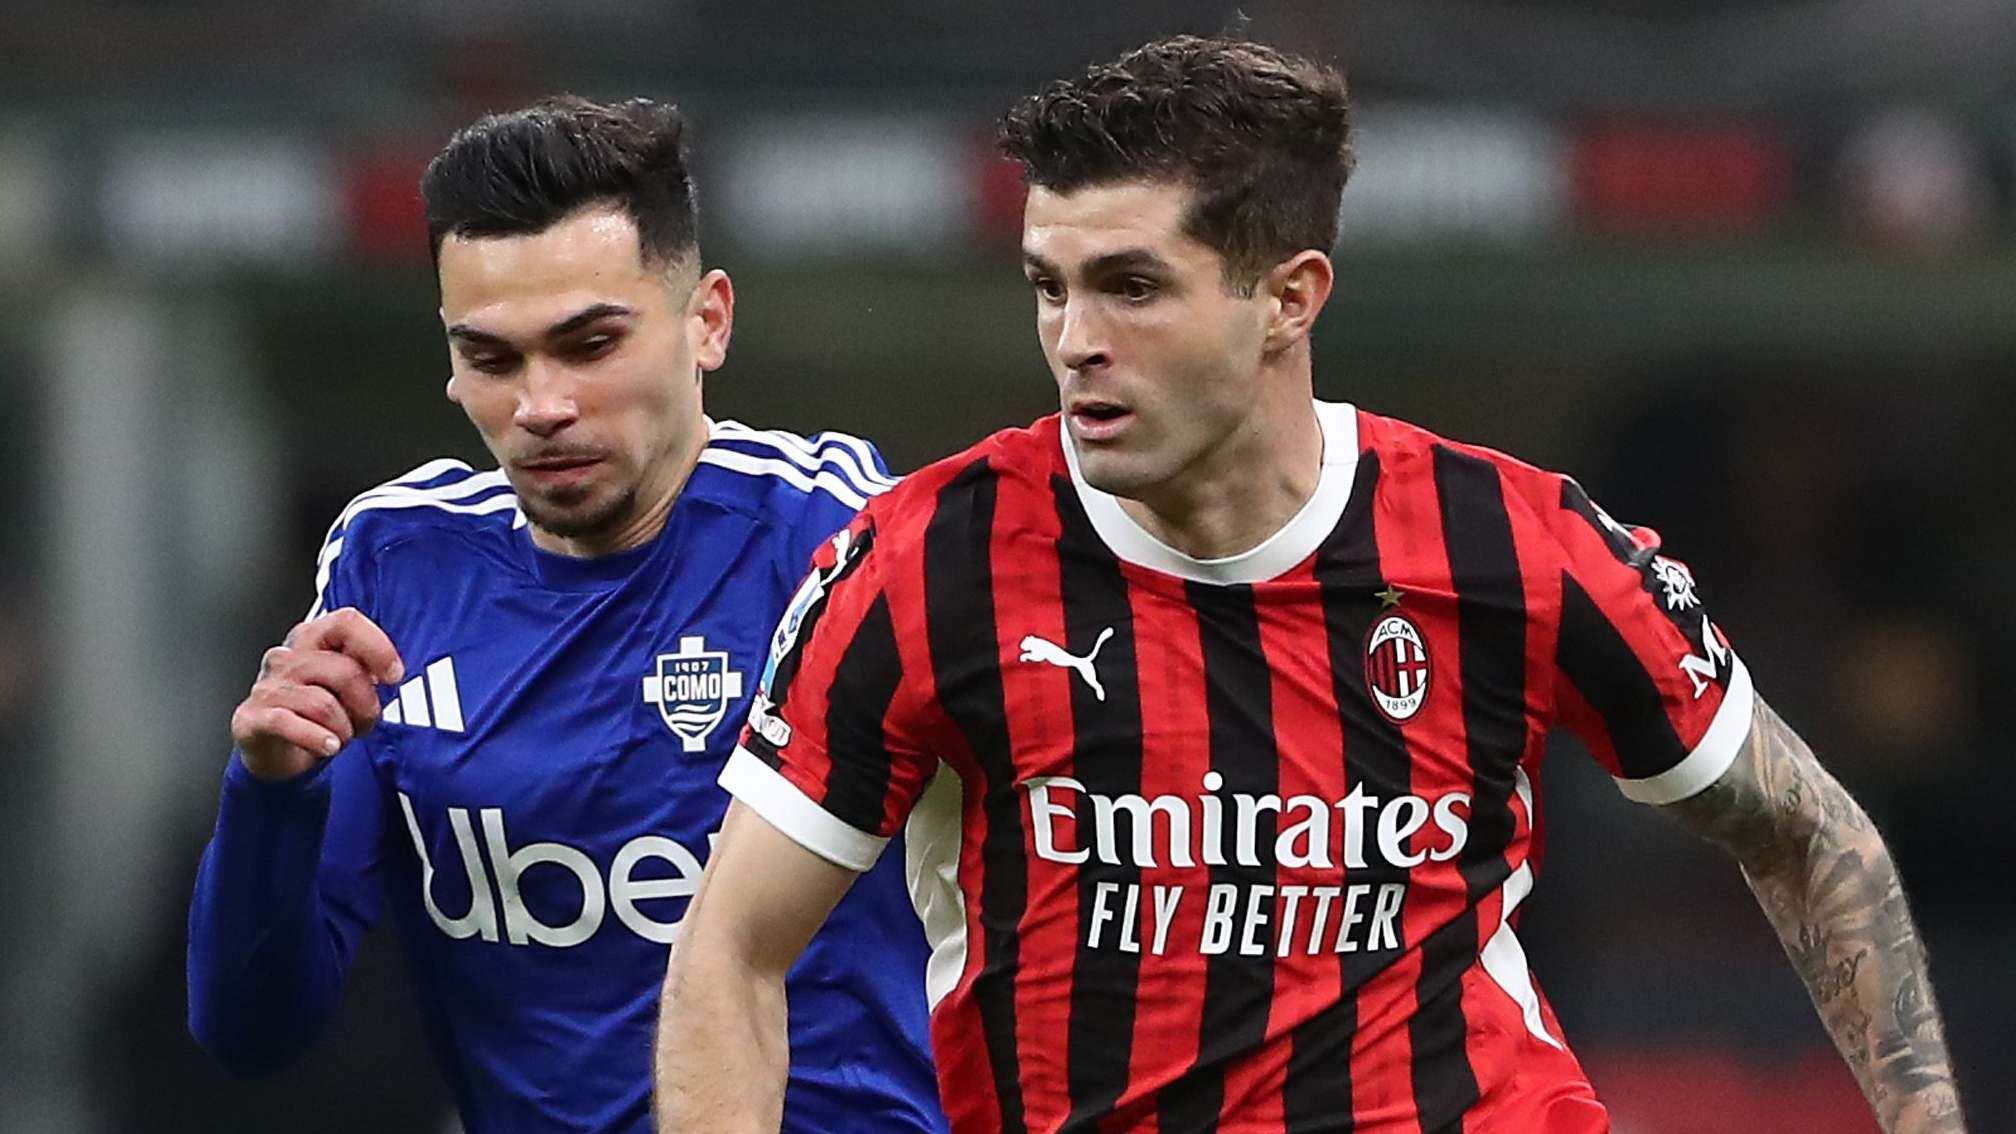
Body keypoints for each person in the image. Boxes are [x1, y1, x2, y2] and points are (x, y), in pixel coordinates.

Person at [655, 36, 1966, 1134]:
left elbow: (1809, 833)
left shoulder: (1512, 542)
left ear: (1289, 297)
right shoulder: (923, 561)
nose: (1074, 340)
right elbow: (728, 951)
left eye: (1130, 287)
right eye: (1047, 288)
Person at [187, 96, 946, 1134]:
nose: (541, 405)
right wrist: (269, 791)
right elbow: (250, 1029)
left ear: (707, 322)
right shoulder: (396, 563)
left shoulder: (845, 537)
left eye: (589, 345)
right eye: (493, 358)